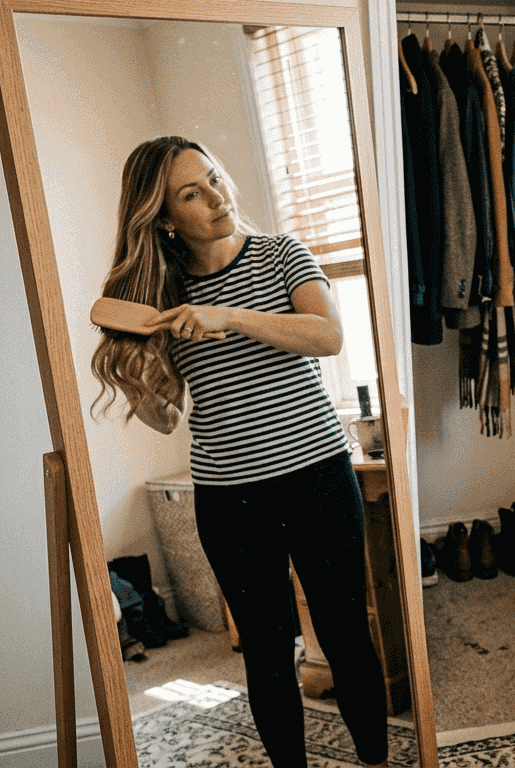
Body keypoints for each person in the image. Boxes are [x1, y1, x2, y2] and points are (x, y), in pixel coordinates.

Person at [90, 136, 388, 768]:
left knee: (344, 634)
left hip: (319, 478)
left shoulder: (284, 256)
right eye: (191, 194)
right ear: (165, 218)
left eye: (215, 178)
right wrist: (134, 375)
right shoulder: (163, 298)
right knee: (268, 649)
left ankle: (376, 761)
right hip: (230, 499)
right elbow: (167, 418)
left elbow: (328, 335)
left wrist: (229, 315)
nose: (216, 198)